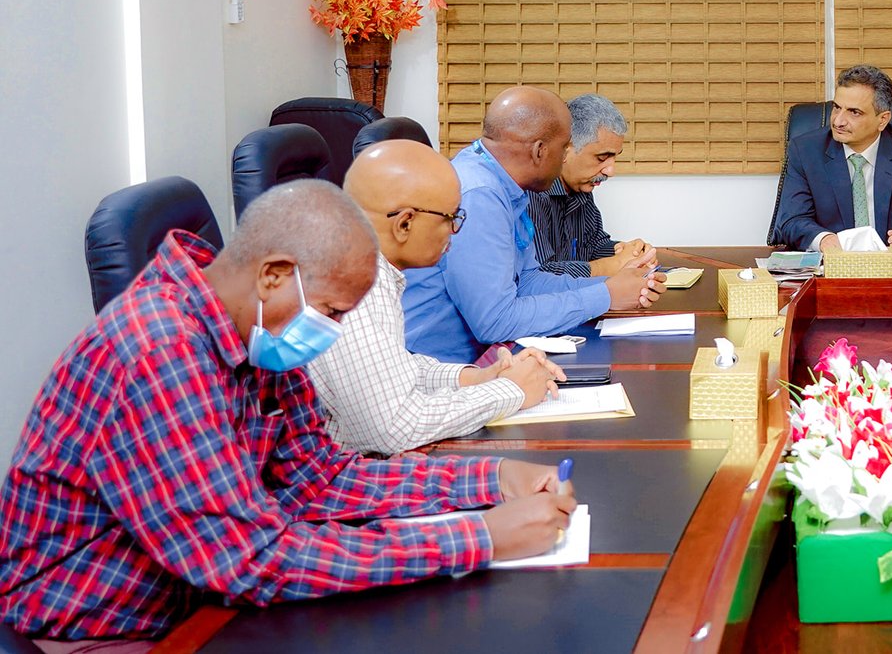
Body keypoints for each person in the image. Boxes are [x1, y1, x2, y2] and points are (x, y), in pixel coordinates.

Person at [0, 181, 575, 645]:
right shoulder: (160, 352)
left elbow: (320, 478)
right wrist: (478, 537)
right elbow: (248, 558)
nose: (333, 330)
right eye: (331, 311)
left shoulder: (255, 328)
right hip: (103, 625)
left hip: (204, 597)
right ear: (274, 274)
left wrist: (490, 479)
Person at [308, 140, 567, 455]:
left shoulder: (362, 264)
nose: (455, 231)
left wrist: (479, 377)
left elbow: (394, 369)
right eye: (451, 217)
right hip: (335, 476)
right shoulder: (352, 286)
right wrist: (511, 390)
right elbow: (396, 428)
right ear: (405, 223)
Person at [403, 87, 664, 364]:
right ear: (540, 151)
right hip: (440, 370)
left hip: (487, 359)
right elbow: (496, 321)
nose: (564, 158)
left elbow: (528, 281)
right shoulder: (479, 195)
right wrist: (605, 296)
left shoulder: (505, 184)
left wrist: (614, 286)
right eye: (564, 148)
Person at [770, 65, 892, 257]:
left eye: (854, 112)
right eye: (836, 107)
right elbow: (791, 220)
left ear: (883, 120)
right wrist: (824, 240)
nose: (838, 121)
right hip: (833, 266)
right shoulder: (805, 151)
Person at [529, 93, 655, 277]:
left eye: (615, 157)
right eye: (602, 158)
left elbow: (595, 245)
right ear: (565, 150)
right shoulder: (531, 193)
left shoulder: (583, 187)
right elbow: (539, 276)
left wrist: (628, 252)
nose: (610, 171)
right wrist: (613, 265)